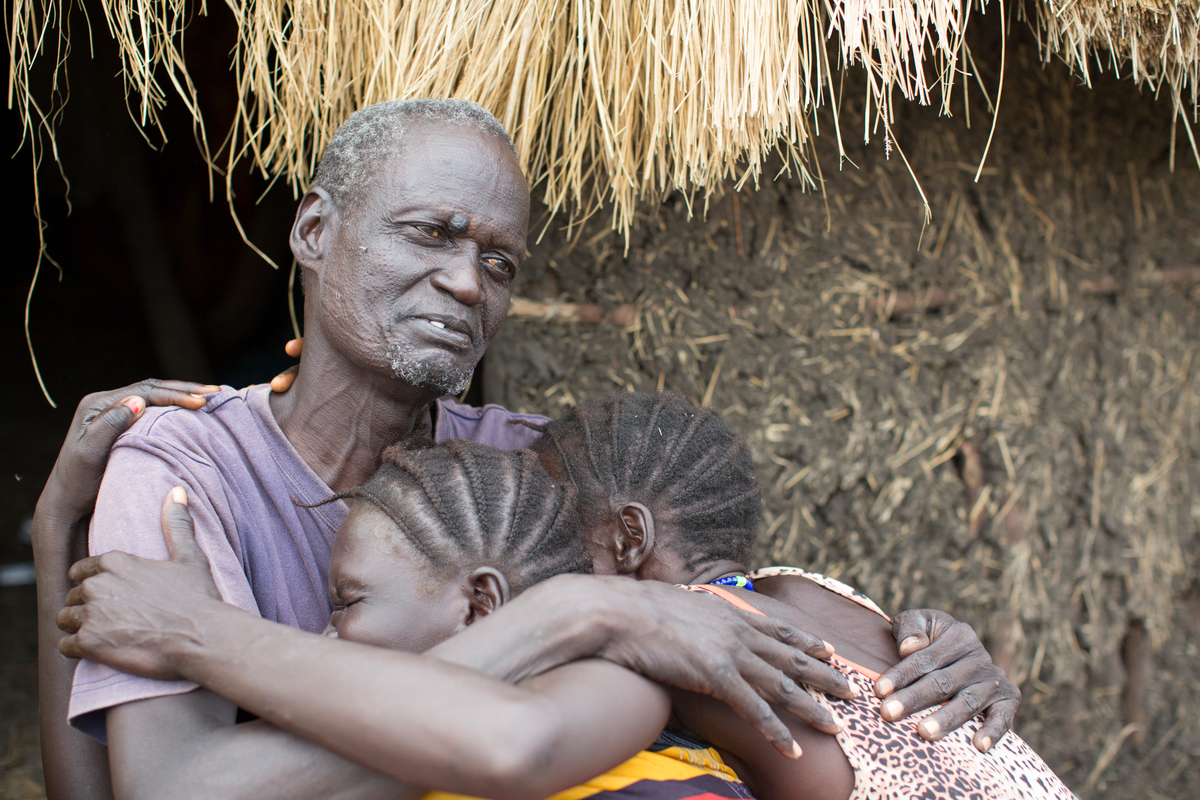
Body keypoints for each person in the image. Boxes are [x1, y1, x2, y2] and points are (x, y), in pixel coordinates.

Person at [36, 99, 1019, 799]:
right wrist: (578, 613)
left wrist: (921, 644)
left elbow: (717, 600)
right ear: (314, 229)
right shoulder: (186, 468)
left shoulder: (531, 467)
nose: (468, 283)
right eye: (431, 232)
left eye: (498, 261)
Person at [56, 393, 1040, 800]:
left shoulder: (674, 651)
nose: (529, 545)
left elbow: (508, 739)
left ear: (623, 542)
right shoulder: (808, 594)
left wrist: (198, 631)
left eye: (547, 522)